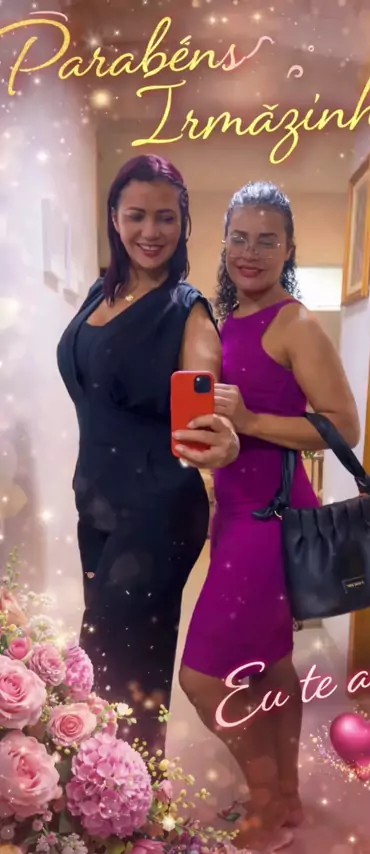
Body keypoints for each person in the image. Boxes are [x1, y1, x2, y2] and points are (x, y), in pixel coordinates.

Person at [178, 181, 360, 852]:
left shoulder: (295, 323)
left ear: (288, 249)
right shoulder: (226, 321)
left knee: (203, 676)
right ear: (224, 242)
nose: (250, 252)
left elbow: (344, 426)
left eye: (266, 240)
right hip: (236, 513)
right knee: (272, 663)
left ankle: (264, 803)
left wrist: (250, 419)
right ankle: (286, 795)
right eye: (239, 238)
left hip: (272, 518)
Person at [57, 155, 239, 750]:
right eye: (136, 215)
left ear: (184, 223)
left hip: (158, 512)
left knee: (120, 666)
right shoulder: (99, 293)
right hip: (97, 508)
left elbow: (204, 414)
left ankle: (128, 792)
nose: (151, 231)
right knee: (106, 661)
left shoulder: (187, 311)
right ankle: (119, 786)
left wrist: (222, 437)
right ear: (114, 217)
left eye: (166, 217)